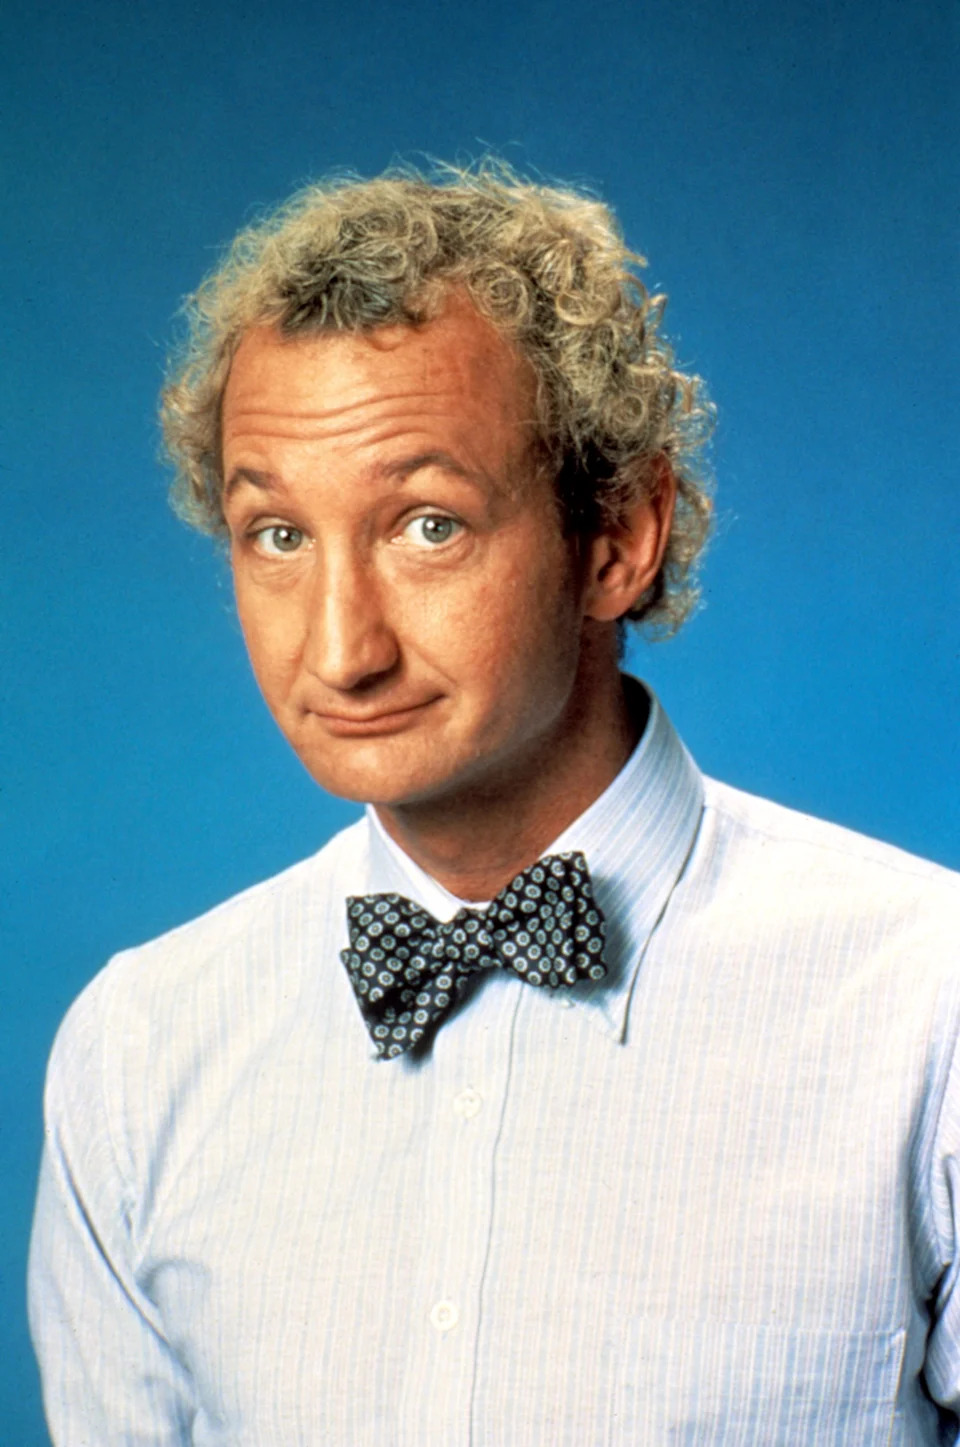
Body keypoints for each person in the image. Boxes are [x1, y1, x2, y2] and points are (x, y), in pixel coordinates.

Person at [28, 160, 960, 1445]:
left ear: (618, 537)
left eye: (427, 526)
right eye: (279, 536)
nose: (341, 648)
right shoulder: (138, 1053)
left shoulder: (930, 1007)